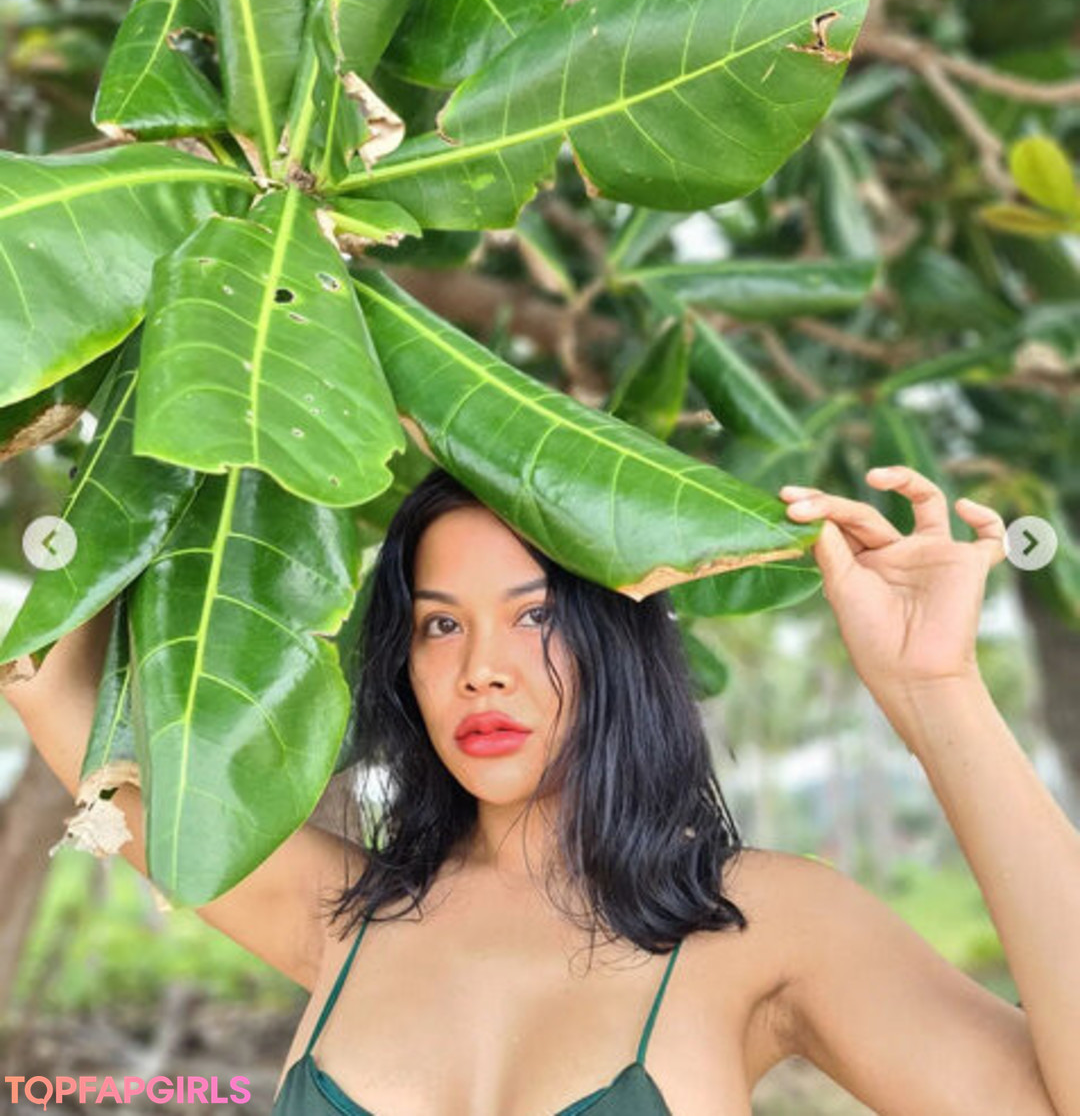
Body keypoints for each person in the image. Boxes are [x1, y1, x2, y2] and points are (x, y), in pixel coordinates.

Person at [4, 461, 1078, 1115]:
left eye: (537, 613)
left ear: (617, 640)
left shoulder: (764, 922)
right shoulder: (341, 914)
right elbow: (51, 684)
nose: (483, 666)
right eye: (440, 622)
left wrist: (935, 689)